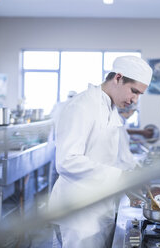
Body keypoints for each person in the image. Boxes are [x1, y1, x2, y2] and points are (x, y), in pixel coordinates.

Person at [49, 56, 153, 247]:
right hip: (77, 212)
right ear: (118, 78)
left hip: (100, 206)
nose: (134, 100)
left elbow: (107, 158)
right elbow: (67, 161)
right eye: (134, 91)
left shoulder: (110, 108)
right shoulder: (82, 105)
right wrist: (120, 177)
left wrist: (130, 184)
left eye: (140, 95)